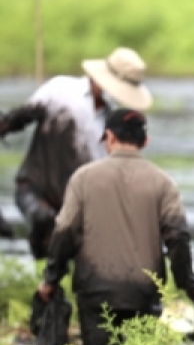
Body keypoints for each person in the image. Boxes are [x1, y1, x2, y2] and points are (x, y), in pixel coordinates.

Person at [37, 109, 194, 345]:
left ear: (109, 137)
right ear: (145, 141)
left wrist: (50, 280)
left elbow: (64, 232)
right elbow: (178, 238)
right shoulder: (164, 183)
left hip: (95, 290)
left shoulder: (83, 179)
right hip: (144, 292)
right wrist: (188, 284)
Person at [0, 47, 153, 258]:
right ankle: (44, 274)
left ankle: (53, 281)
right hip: (34, 188)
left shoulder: (113, 122)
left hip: (77, 204)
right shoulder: (60, 89)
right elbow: (16, 120)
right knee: (44, 220)